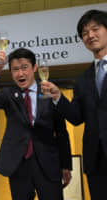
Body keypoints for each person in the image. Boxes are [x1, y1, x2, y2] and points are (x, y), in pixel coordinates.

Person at [0, 48, 72, 200]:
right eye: (15, 69)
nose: (20, 74)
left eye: (24, 67)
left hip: (48, 164)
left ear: (35, 68)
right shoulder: (8, 94)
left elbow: (61, 131)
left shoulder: (49, 91)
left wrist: (66, 165)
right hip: (19, 164)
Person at [41, 9, 107, 200]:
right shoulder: (82, 79)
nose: (90, 35)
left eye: (95, 29)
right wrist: (58, 97)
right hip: (96, 160)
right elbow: (77, 118)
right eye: (85, 33)